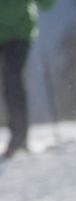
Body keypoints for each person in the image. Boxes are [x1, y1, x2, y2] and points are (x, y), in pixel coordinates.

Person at [0, 0, 52, 159]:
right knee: (12, 81)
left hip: (20, 34)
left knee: (12, 80)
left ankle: (19, 137)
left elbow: (47, 5)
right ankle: (18, 136)